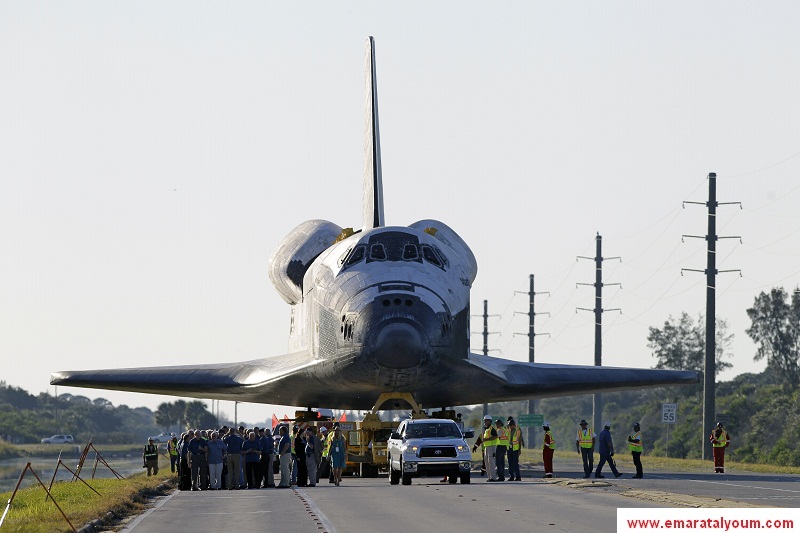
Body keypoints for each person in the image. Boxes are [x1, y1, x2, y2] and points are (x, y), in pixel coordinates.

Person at [473, 415, 498, 482]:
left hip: (492, 447)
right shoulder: (485, 429)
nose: (485, 422)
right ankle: (489, 477)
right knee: (487, 463)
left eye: (486, 420)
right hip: (486, 447)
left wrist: (487, 439)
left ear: (490, 421)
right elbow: (481, 438)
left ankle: (493, 477)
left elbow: (495, 436)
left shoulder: (492, 429)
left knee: (491, 463)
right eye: (485, 420)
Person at [223, 426, 244, 490]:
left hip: (229, 455)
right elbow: (243, 439)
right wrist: (239, 433)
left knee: (230, 471)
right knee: (237, 471)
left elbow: (223, 439)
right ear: (234, 432)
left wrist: (227, 434)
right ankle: (236, 485)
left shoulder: (228, 438)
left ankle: (230, 486)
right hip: (237, 455)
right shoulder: (238, 438)